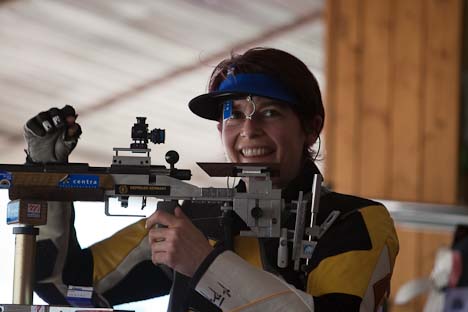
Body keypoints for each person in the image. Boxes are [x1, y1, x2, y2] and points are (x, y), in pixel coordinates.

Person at [26, 47, 399, 311]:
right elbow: (64, 286)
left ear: (311, 127)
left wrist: (204, 262)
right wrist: (44, 175)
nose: (248, 130)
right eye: (233, 114)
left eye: (269, 112)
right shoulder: (197, 218)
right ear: (221, 128)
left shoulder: (356, 221)